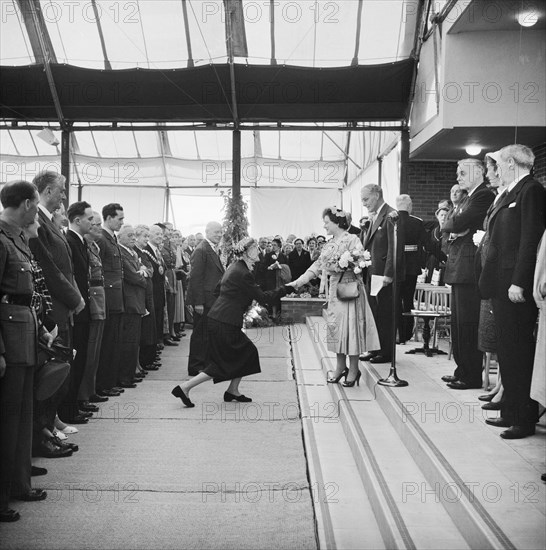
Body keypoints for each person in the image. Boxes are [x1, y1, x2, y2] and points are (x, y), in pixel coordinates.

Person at [172, 237, 289, 407]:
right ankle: (185, 388)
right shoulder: (243, 272)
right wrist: (288, 288)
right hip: (224, 322)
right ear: (247, 252)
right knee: (221, 363)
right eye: (254, 247)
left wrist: (235, 302)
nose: (258, 250)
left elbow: (218, 290)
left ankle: (232, 390)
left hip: (222, 319)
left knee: (246, 352)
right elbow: (264, 297)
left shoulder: (235, 267)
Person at [479, 144, 545, 438]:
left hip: (514, 284)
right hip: (499, 283)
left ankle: (524, 417)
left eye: (498, 163)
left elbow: (530, 239)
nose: (496, 169)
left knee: (518, 351)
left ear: (509, 163)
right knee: (506, 350)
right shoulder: (507, 193)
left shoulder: (531, 191)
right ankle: (509, 410)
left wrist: (520, 280)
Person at [290, 207, 380, 386]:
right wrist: (298, 282)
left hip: (350, 291)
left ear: (337, 222)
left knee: (351, 330)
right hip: (335, 292)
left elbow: (361, 262)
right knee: (336, 329)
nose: (324, 226)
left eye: (326, 222)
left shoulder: (352, 239)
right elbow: (317, 266)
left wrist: (343, 265)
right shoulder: (329, 244)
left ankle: (354, 369)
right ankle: (340, 367)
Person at [0, 180, 47, 522]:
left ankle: (18, 482)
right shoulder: (1, 238)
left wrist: (40, 330)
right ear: (27, 204)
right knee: (6, 419)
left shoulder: (16, 238)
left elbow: (24, 294)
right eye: (35, 203)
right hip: (9, 340)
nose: (36, 209)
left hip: (25, 333)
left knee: (21, 415)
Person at [441, 159, 494, 390]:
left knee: (468, 324)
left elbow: (457, 222)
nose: (458, 177)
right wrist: (452, 225)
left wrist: (453, 225)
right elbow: (446, 225)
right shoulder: (466, 198)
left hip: (469, 269)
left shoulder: (483, 196)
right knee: (458, 325)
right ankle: (461, 368)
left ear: (478, 172)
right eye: (457, 173)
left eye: (462, 173)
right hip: (458, 268)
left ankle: (471, 374)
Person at [360, 184, 403, 364]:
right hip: (372, 272)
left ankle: (386, 352)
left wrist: (389, 273)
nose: (364, 203)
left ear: (377, 195)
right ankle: (375, 348)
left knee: (385, 314)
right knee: (374, 313)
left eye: (366, 199)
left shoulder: (392, 215)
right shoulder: (374, 217)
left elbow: (395, 247)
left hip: (383, 274)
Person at [64, 201, 94, 419]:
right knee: (75, 358)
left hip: (84, 308)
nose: (92, 223)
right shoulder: (70, 241)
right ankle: (69, 408)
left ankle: (75, 403)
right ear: (77, 220)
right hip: (77, 309)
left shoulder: (80, 241)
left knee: (81, 356)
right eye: (89, 218)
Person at [186, 221, 224, 376]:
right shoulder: (202, 249)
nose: (219, 235)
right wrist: (198, 302)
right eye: (216, 232)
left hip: (212, 300)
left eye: (221, 232)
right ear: (207, 232)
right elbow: (196, 278)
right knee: (200, 334)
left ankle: (205, 363)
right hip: (204, 300)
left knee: (207, 333)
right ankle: (195, 365)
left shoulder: (212, 249)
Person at [79, 212, 109, 402]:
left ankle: (90, 390)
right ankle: (83, 394)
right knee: (89, 349)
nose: (98, 227)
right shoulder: (84, 246)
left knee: (96, 349)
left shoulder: (94, 246)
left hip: (99, 296)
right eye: (95, 224)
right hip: (92, 296)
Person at [96, 203, 125, 393]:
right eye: (119, 219)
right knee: (106, 345)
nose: (122, 222)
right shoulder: (101, 239)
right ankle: (103, 384)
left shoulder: (111, 239)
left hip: (116, 298)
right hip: (107, 297)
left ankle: (110, 382)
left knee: (113, 343)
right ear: (108, 218)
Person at [118, 225, 147, 387]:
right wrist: (143, 276)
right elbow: (134, 277)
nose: (133, 238)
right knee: (128, 341)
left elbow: (144, 270)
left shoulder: (132, 252)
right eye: (129, 235)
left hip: (136, 300)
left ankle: (129, 373)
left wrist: (142, 272)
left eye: (134, 235)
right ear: (120, 236)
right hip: (130, 302)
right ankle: (125, 376)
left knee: (134, 340)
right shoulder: (122, 253)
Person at [396, 194, 426, 344]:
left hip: (396, 266)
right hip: (411, 267)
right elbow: (427, 243)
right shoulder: (417, 222)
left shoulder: (392, 221)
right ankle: (406, 334)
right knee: (408, 301)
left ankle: (397, 333)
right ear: (409, 206)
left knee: (395, 301)